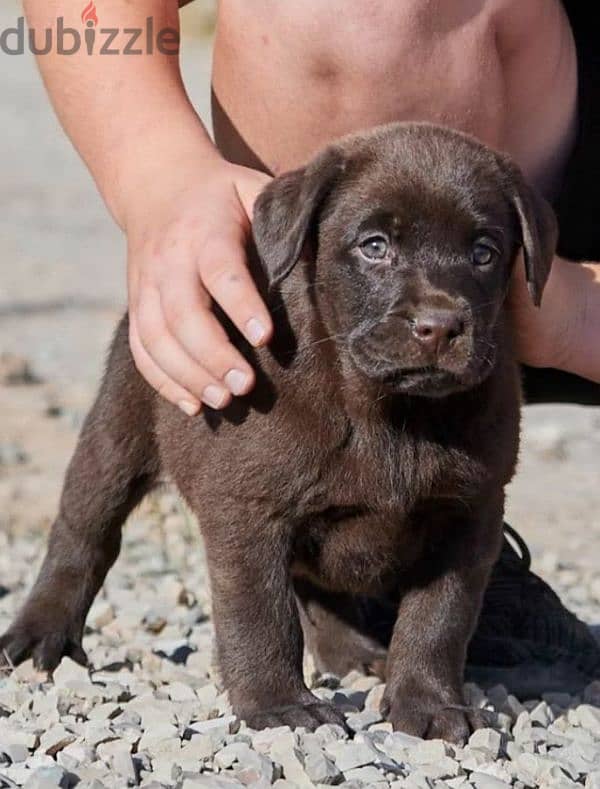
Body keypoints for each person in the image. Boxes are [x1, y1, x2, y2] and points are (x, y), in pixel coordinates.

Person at [24, 0, 600, 688]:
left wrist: (575, 314)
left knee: (455, 520)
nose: (436, 311)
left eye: (481, 251)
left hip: (551, 297)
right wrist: (157, 171)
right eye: (378, 246)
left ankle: (386, 603)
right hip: (343, 361)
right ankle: (58, 600)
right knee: (104, 488)